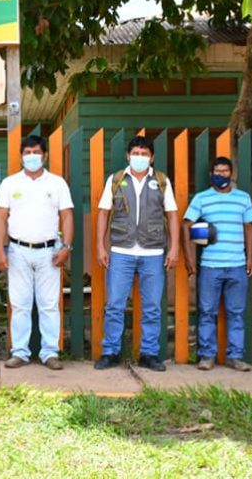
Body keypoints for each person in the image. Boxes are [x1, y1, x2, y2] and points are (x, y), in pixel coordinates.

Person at [94, 136, 179, 372]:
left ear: (151, 157)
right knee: (114, 305)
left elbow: (172, 214)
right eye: (135, 153)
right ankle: (110, 351)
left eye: (144, 154)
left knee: (152, 306)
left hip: (153, 252)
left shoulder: (161, 181)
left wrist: (174, 248)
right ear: (128, 155)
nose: (139, 158)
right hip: (121, 251)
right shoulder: (116, 180)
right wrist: (101, 246)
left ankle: (149, 354)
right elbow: (103, 213)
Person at [0, 135, 74, 370]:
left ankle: (50, 353)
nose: (32, 157)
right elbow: (0, 217)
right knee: (19, 304)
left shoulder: (57, 183)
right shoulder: (10, 183)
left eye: (36, 152)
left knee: (49, 304)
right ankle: (20, 352)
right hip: (18, 250)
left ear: (45, 155)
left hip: (49, 251)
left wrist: (66, 247)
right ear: (21, 156)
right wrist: (0, 250)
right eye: (27, 152)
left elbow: (67, 215)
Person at [182, 157, 252, 372]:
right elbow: (186, 225)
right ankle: (207, 356)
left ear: (231, 174)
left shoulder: (242, 198)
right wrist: (188, 258)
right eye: (217, 171)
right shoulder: (202, 198)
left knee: (236, 312)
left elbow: (249, 228)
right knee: (207, 311)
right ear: (211, 174)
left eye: (225, 171)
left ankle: (235, 356)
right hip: (210, 265)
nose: (221, 174)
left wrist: (249, 258)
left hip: (237, 264)